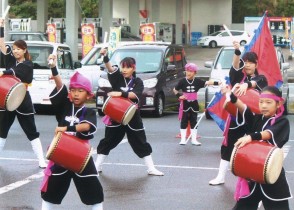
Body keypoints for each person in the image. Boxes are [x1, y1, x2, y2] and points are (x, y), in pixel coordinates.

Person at [40, 55, 104, 210]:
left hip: (81, 155)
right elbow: (59, 84)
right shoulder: (65, 107)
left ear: (88, 95)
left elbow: (85, 127)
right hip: (61, 153)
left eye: (80, 91)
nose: (76, 94)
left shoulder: (88, 112)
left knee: (94, 193)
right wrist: (53, 67)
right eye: (73, 90)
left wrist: (67, 129)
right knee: (51, 192)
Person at [94, 48, 164, 176]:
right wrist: (105, 56)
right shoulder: (117, 78)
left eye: (127, 67)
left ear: (133, 68)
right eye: (123, 67)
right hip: (115, 114)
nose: (124, 70)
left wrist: (120, 93)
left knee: (140, 141)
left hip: (132, 116)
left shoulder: (138, 81)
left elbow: (134, 95)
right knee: (108, 141)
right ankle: (97, 166)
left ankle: (151, 168)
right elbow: (110, 68)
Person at [223, 85, 292, 210]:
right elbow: (244, 109)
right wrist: (230, 95)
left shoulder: (282, 121)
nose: (264, 106)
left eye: (268, 102)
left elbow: (268, 133)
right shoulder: (257, 118)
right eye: (261, 102)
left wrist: (251, 136)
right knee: (243, 207)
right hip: (253, 173)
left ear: (278, 103)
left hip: (271, 177)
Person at [209, 41, 268, 185]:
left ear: (256, 64)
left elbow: (255, 82)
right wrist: (237, 51)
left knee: (252, 148)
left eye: (250, 62)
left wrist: (246, 85)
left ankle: (254, 181)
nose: (247, 65)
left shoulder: (261, 78)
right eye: (245, 62)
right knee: (227, 146)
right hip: (236, 118)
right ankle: (221, 177)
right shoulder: (237, 78)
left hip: (254, 119)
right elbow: (235, 66)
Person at [0, 18, 47, 168]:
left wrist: (3, 73)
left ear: (24, 50)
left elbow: (13, 72)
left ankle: (41, 159)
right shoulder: (10, 59)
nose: (15, 51)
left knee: (31, 131)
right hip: (8, 99)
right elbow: (1, 44)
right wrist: (1, 27)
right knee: (2, 130)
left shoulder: (27, 64)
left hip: (22, 99)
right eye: (14, 49)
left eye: (18, 49)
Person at [173, 62, 220, 145]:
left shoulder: (197, 81)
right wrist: (179, 96)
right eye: (187, 71)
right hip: (185, 104)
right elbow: (175, 89)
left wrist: (218, 83)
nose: (188, 73)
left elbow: (208, 83)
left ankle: (194, 139)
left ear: (195, 72)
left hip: (194, 104)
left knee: (194, 121)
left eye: (191, 71)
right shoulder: (182, 81)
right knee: (184, 121)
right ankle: (183, 139)